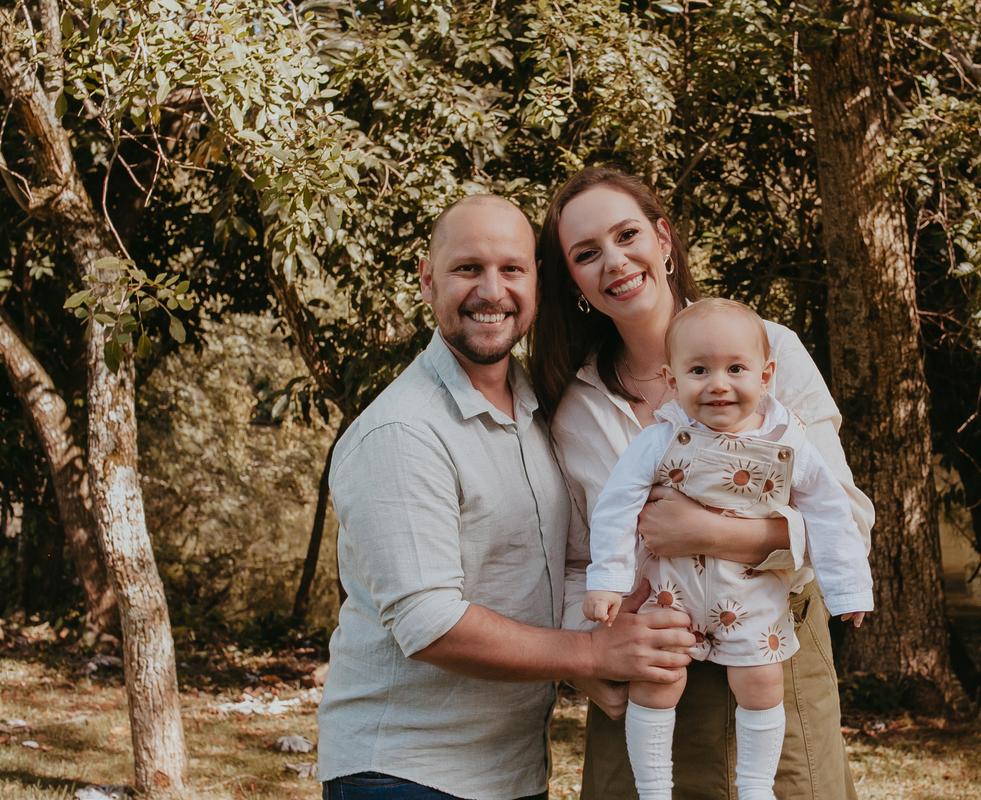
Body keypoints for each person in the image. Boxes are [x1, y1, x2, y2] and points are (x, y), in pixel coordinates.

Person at [317, 194, 696, 800]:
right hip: (404, 774)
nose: (492, 291)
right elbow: (430, 624)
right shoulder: (402, 432)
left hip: (511, 771)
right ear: (427, 279)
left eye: (512, 269)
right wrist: (594, 654)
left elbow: (565, 565)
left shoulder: (540, 408)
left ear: (538, 285)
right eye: (468, 268)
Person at [528, 167, 875, 800]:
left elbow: (844, 522)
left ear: (663, 239)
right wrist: (593, 656)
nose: (614, 261)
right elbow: (575, 561)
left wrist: (707, 532)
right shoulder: (572, 404)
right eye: (586, 253)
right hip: (652, 672)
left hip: (772, 663)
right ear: (574, 280)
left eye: (627, 234)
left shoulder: (772, 351)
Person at [582, 299, 873, 800]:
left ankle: (757, 786)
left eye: (735, 369)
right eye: (699, 371)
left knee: (762, 684)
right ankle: (653, 787)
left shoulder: (787, 442)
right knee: (657, 683)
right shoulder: (661, 438)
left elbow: (831, 512)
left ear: (766, 376)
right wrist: (607, 579)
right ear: (672, 382)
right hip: (672, 596)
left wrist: (846, 590)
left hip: (752, 595)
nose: (718, 383)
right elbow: (616, 506)